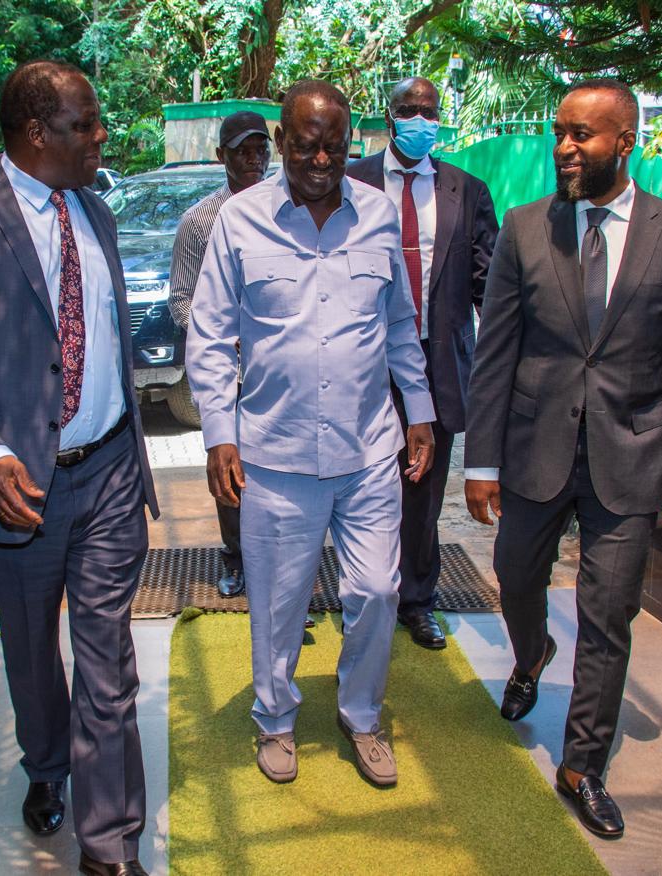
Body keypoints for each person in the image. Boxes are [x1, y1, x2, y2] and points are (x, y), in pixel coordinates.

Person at [0, 60, 157, 876]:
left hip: (111, 466)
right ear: (36, 133)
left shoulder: (99, 211)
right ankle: (46, 764)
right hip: (20, 486)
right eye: (87, 125)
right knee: (31, 652)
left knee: (107, 655)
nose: (101, 138)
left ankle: (108, 844)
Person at [463, 78, 662, 838]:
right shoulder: (524, 228)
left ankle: (582, 766)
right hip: (535, 450)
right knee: (516, 577)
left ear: (624, 143)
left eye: (583, 135)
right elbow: (495, 353)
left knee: (610, 616)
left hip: (633, 453)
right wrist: (480, 463)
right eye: (560, 133)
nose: (566, 148)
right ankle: (533, 653)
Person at [185, 80, 436, 788]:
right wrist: (218, 433)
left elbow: (397, 326)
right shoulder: (241, 222)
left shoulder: (380, 216)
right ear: (282, 142)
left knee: (378, 590)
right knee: (278, 601)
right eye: (304, 144)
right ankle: (275, 719)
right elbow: (208, 337)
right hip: (276, 454)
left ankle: (360, 715)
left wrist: (419, 409)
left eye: (334, 144)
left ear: (352, 141)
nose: (320, 157)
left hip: (367, 452)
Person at [346, 76, 497, 650]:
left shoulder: (467, 191)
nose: (419, 119)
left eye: (428, 111)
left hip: (438, 364)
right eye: (408, 110)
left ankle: (416, 600)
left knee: (424, 488)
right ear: (388, 117)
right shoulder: (352, 181)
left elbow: (490, 283)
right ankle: (362, 592)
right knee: (358, 481)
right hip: (365, 358)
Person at [167, 111, 268, 599]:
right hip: (228, 372)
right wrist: (216, 337)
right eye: (242, 152)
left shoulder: (287, 208)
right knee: (229, 466)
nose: (253, 160)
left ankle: (280, 563)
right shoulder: (199, 221)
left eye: (261, 151)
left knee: (276, 473)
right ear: (220, 157)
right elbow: (181, 297)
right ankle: (236, 557)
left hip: (276, 372)